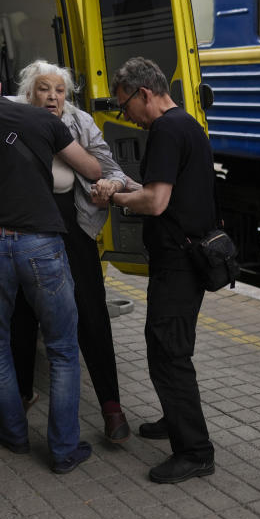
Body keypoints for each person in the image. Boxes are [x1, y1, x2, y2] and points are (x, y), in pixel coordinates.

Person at [0, 59, 133, 444]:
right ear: (27, 92)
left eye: (60, 90)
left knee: (91, 315)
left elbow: (107, 169)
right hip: (27, 231)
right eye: (44, 89)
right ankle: (24, 398)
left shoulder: (79, 122)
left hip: (71, 225)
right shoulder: (3, 113)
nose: (53, 97)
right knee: (21, 318)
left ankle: (111, 407)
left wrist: (109, 187)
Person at [93, 57, 216, 484]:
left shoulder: (164, 129)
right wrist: (127, 185)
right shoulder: (186, 124)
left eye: (124, 105)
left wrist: (115, 199)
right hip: (188, 257)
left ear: (144, 93)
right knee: (164, 343)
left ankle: (195, 452)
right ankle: (174, 418)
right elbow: (162, 189)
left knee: (170, 353)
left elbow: (156, 202)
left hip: (179, 263)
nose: (124, 115)